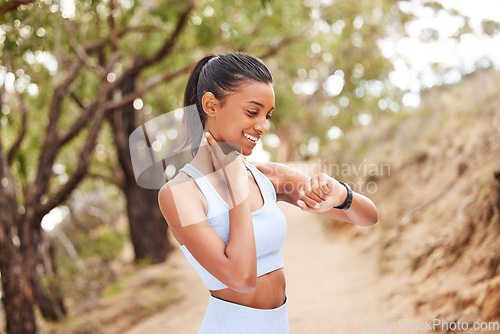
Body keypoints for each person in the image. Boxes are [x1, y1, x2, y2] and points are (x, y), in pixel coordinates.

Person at [158, 52, 378, 333]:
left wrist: (343, 196)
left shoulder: (268, 177)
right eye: (252, 112)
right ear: (211, 105)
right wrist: (236, 186)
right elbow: (241, 278)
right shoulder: (179, 194)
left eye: (268, 115)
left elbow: (368, 217)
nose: (263, 126)